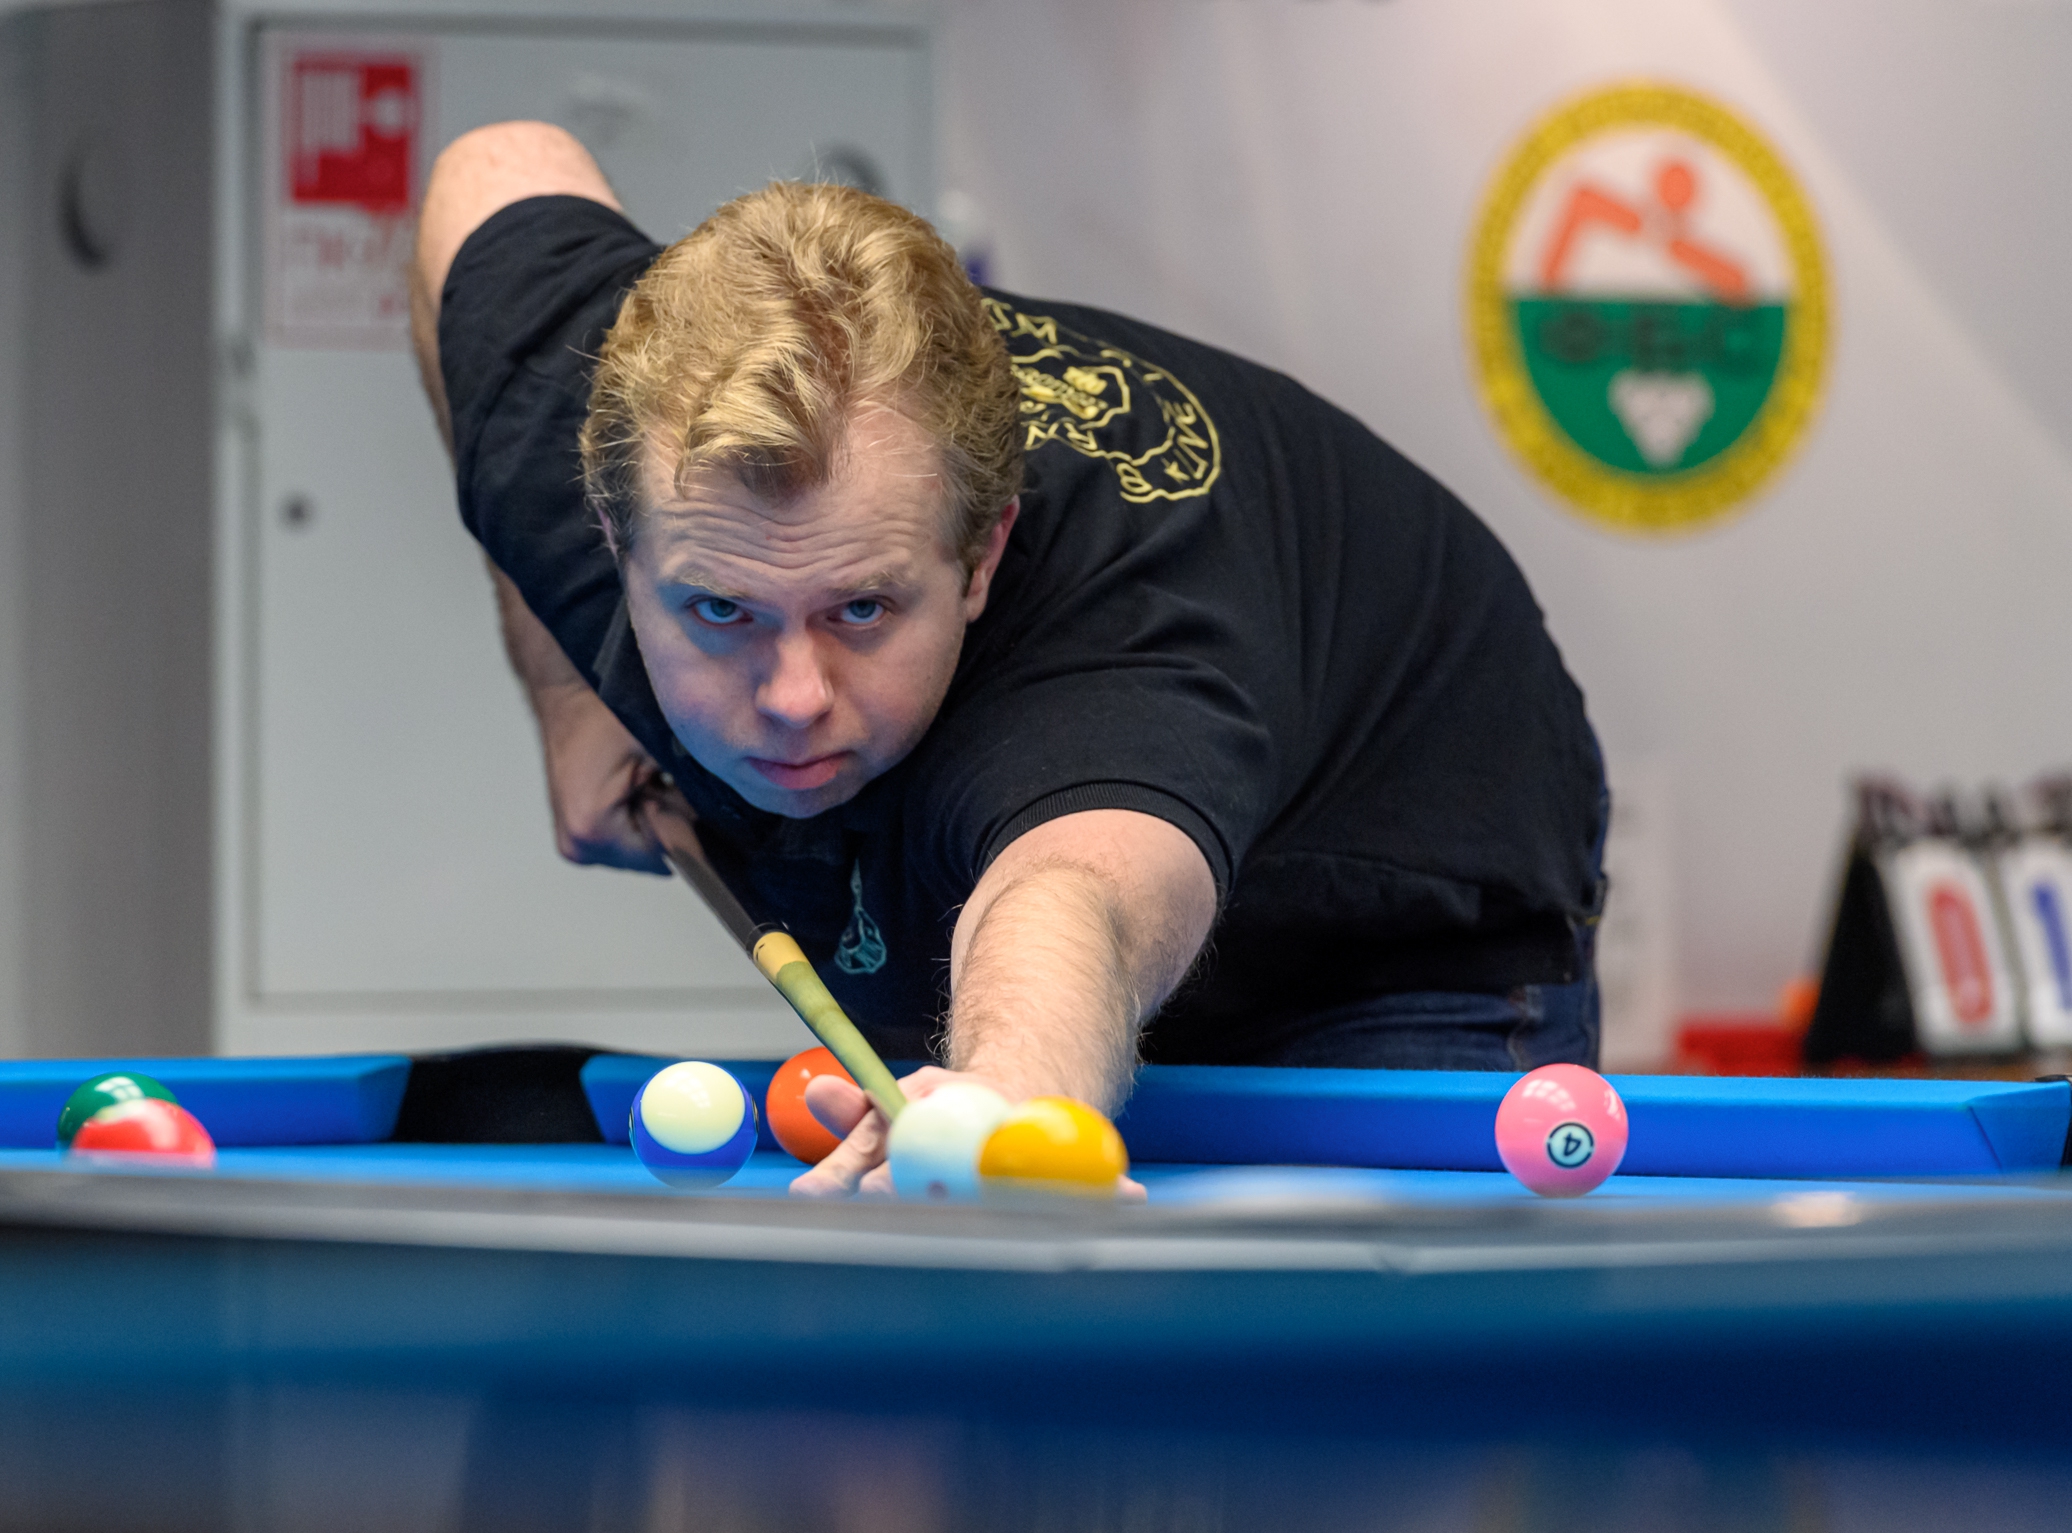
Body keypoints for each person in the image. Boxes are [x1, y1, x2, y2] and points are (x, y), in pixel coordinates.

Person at [409, 122, 1607, 1198]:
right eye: (721, 612)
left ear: (982, 555)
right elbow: (493, 170)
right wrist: (568, 689)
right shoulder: (602, 435)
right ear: (613, 538)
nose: (792, 697)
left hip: (1370, 935)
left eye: (862, 609)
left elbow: (1076, 903)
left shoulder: (1114, 651)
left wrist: (1004, 1104)